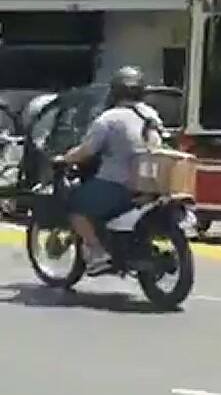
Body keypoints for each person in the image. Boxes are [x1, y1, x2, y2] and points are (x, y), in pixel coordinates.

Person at [59, 66, 163, 274]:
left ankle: (97, 253)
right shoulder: (149, 114)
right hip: (151, 183)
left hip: (119, 184)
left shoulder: (109, 118)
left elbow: (88, 150)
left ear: (115, 91)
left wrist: (64, 158)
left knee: (75, 206)